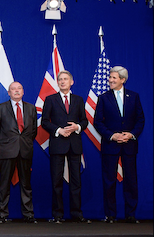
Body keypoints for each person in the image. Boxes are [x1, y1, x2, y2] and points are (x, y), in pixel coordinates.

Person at [94, 66, 144, 224]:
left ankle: (131, 214)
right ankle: (110, 215)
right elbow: (97, 122)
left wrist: (131, 134)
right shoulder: (103, 98)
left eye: (114, 78)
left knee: (131, 180)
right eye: (110, 77)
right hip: (111, 145)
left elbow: (140, 119)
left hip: (129, 145)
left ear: (122, 80)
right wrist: (112, 135)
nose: (111, 80)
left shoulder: (134, 97)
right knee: (109, 181)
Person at [41, 70, 90, 224]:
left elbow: (84, 121)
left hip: (75, 145)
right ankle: (57, 215)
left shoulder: (78, 99)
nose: (62, 82)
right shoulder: (50, 99)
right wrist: (58, 130)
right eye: (60, 79)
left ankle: (77, 213)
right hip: (57, 144)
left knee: (76, 182)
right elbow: (44, 121)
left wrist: (77, 127)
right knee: (56, 181)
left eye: (65, 79)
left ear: (71, 82)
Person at [0, 82, 37, 224]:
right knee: (4, 184)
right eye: (13, 89)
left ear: (23, 91)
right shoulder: (0, 108)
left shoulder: (31, 108)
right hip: (7, 151)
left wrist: (24, 143)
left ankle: (28, 214)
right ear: (8, 92)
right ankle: (2, 214)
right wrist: (7, 143)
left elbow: (33, 131)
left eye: (19, 89)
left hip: (25, 150)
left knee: (26, 184)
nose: (16, 91)